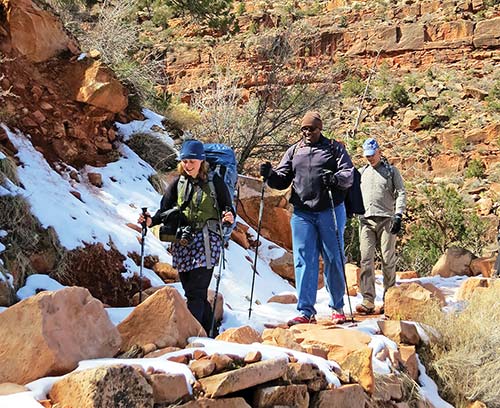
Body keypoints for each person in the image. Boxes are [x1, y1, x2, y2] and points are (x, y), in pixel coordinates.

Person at [260, 111, 354, 325]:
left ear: (320, 129)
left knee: (334, 258)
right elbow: (282, 179)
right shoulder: (294, 151)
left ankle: (337, 306)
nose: (308, 132)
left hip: (330, 210)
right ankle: (305, 311)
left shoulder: (334, 148)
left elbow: (348, 173)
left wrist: (335, 179)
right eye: (304, 129)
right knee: (303, 260)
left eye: (312, 129)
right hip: (303, 213)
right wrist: (270, 174)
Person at [138, 140, 234, 333]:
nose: (188, 165)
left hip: (207, 241)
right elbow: (164, 210)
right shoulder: (178, 183)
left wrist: (228, 216)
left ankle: (192, 337)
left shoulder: (215, 182)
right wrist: (150, 221)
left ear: (201, 161)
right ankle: (210, 331)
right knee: (191, 291)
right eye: (184, 161)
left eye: (192, 161)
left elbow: (228, 207)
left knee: (197, 292)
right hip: (184, 241)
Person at [356, 138, 406, 314]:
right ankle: (368, 300)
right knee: (366, 259)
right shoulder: (361, 172)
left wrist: (398, 215)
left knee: (387, 258)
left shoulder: (391, 172)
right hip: (366, 220)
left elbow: (400, 192)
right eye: (367, 155)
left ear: (379, 151)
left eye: (372, 154)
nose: (369, 158)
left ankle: (389, 297)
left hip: (387, 219)